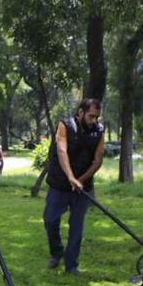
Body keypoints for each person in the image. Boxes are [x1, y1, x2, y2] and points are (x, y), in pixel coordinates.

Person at [43, 98, 105, 276]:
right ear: (80, 113)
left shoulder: (99, 131)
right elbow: (61, 151)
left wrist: (81, 180)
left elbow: (98, 160)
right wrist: (70, 177)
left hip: (82, 186)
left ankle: (71, 265)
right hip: (59, 183)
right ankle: (56, 253)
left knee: (76, 226)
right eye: (91, 116)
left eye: (97, 117)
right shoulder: (65, 125)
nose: (94, 120)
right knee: (50, 220)